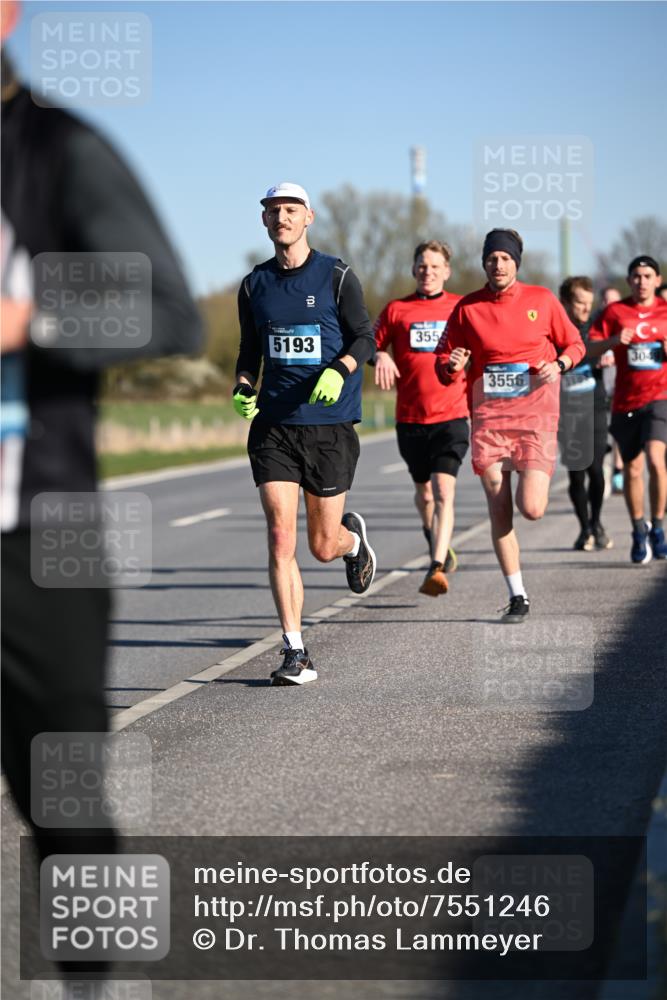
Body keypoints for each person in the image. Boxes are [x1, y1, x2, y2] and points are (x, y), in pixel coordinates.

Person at [1, 15, 203, 978]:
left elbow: (167, 311)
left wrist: (30, 318)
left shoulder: (55, 148)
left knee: (64, 803)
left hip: (34, 535)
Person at [234, 182, 376, 685]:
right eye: (274, 211)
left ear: (308, 217)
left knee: (321, 544)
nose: (282, 218)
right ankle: (295, 651)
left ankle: (352, 544)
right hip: (274, 427)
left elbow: (365, 337)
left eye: (291, 210)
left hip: (329, 427)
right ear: (264, 220)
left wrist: (339, 369)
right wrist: (243, 384)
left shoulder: (336, 275)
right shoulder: (254, 285)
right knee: (280, 537)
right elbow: (250, 350)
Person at [435, 228, 585, 622]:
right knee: (498, 507)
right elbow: (443, 361)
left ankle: (519, 587)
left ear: (516, 262)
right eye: (491, 258)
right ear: (484, 263)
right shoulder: (468, 308)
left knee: (532, 508)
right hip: (490, 421)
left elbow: (576, 344)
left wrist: (559, 364)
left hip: (536, 419)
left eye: (504, 258)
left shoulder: (542, 300)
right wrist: (451, 365)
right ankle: (517, 595)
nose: (497, 264)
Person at [373, 240, 468, 596]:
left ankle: (436, 565)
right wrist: (380, 355)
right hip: (411, 419)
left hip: (451, 415)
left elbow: (484, 346)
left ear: (447, 271)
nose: (428, 272)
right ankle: (433, 533)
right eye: (422, 266)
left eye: (435, 266)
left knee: (444, 490)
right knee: (425, 494)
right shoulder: (396, 310)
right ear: (414, 269)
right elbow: (368, 343)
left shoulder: (461, 307)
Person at [588, 255, 667, 562]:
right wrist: (612, 342)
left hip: (660, 396)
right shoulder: (615, 312)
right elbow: (590, 347)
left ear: (657, 280)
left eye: (647, 276)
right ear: (628, 280)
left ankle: (658, 527)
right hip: (625, 401)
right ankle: (638, 530)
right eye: (636, 276)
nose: (641, 281)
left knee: (656, 461)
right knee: (632, 469)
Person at [557, 276, 613, 550]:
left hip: (595, 406)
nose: (585, 308)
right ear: (565, 302)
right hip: (567, 410)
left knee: (596, 470)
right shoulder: (555, 331)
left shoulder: (597, 327)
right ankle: (584, 529)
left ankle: (597, 522)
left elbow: (610, 346)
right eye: (580, 302)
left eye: (589, 303)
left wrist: (608, 353)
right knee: (577, 474)